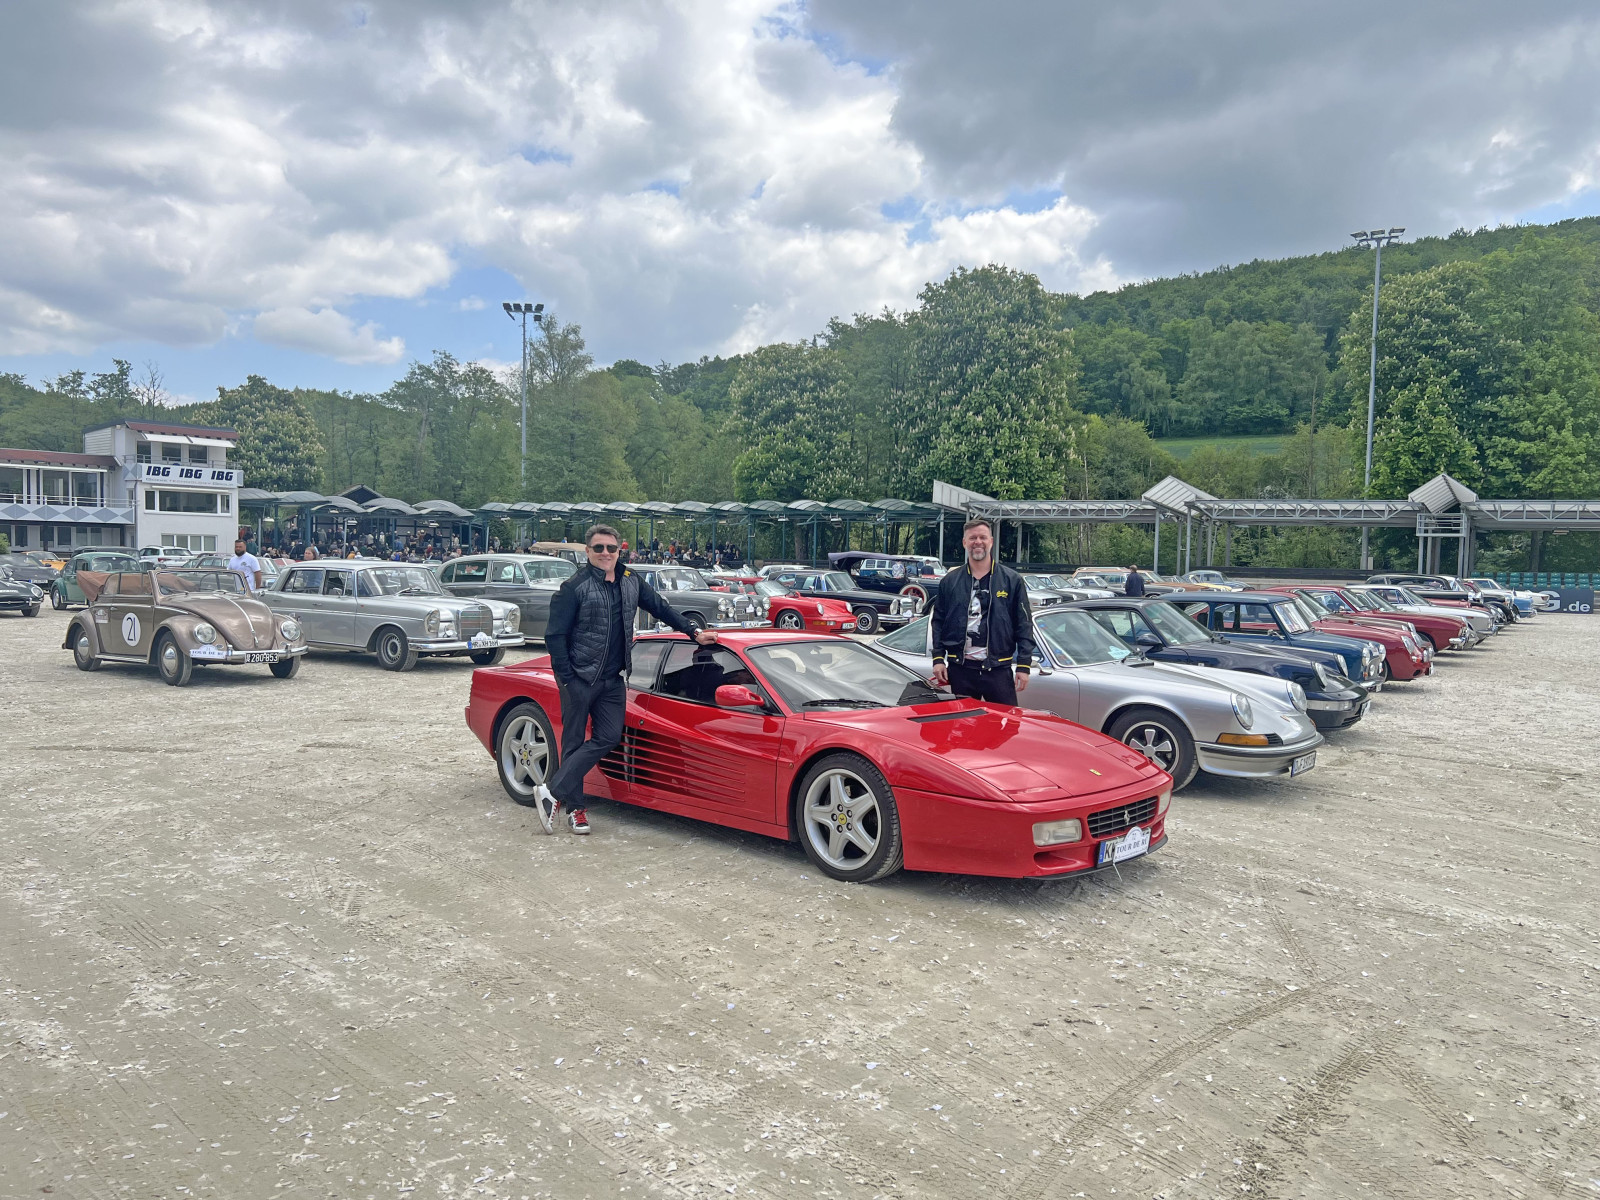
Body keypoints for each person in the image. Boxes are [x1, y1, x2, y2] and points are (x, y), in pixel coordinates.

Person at [535, 524, 717, 835]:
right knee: (574, 742)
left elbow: (660, 607)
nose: (605, 553)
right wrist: (567, 679)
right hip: (580, 678)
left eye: (611, 548)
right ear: (588, 551)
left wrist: (694, 631)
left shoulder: (631, 580)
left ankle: (552, 792)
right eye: (598, 548)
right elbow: (555, 637)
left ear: (621, 550)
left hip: (613, 678)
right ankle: (576, 810)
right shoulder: (573, 587)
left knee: (608, 737)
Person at [929, 520, 1034, 704]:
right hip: (961, 669)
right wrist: (938, 658)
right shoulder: (950, 581)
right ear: (964, 543)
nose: (978, 542)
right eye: (973, 538)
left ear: (991, 541)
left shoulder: (1012, 580)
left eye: (982, 537)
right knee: (963, 727)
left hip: (998, 669)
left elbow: (1023, 624)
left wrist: (1024, 666)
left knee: (1007, 726)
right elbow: (938, 621)